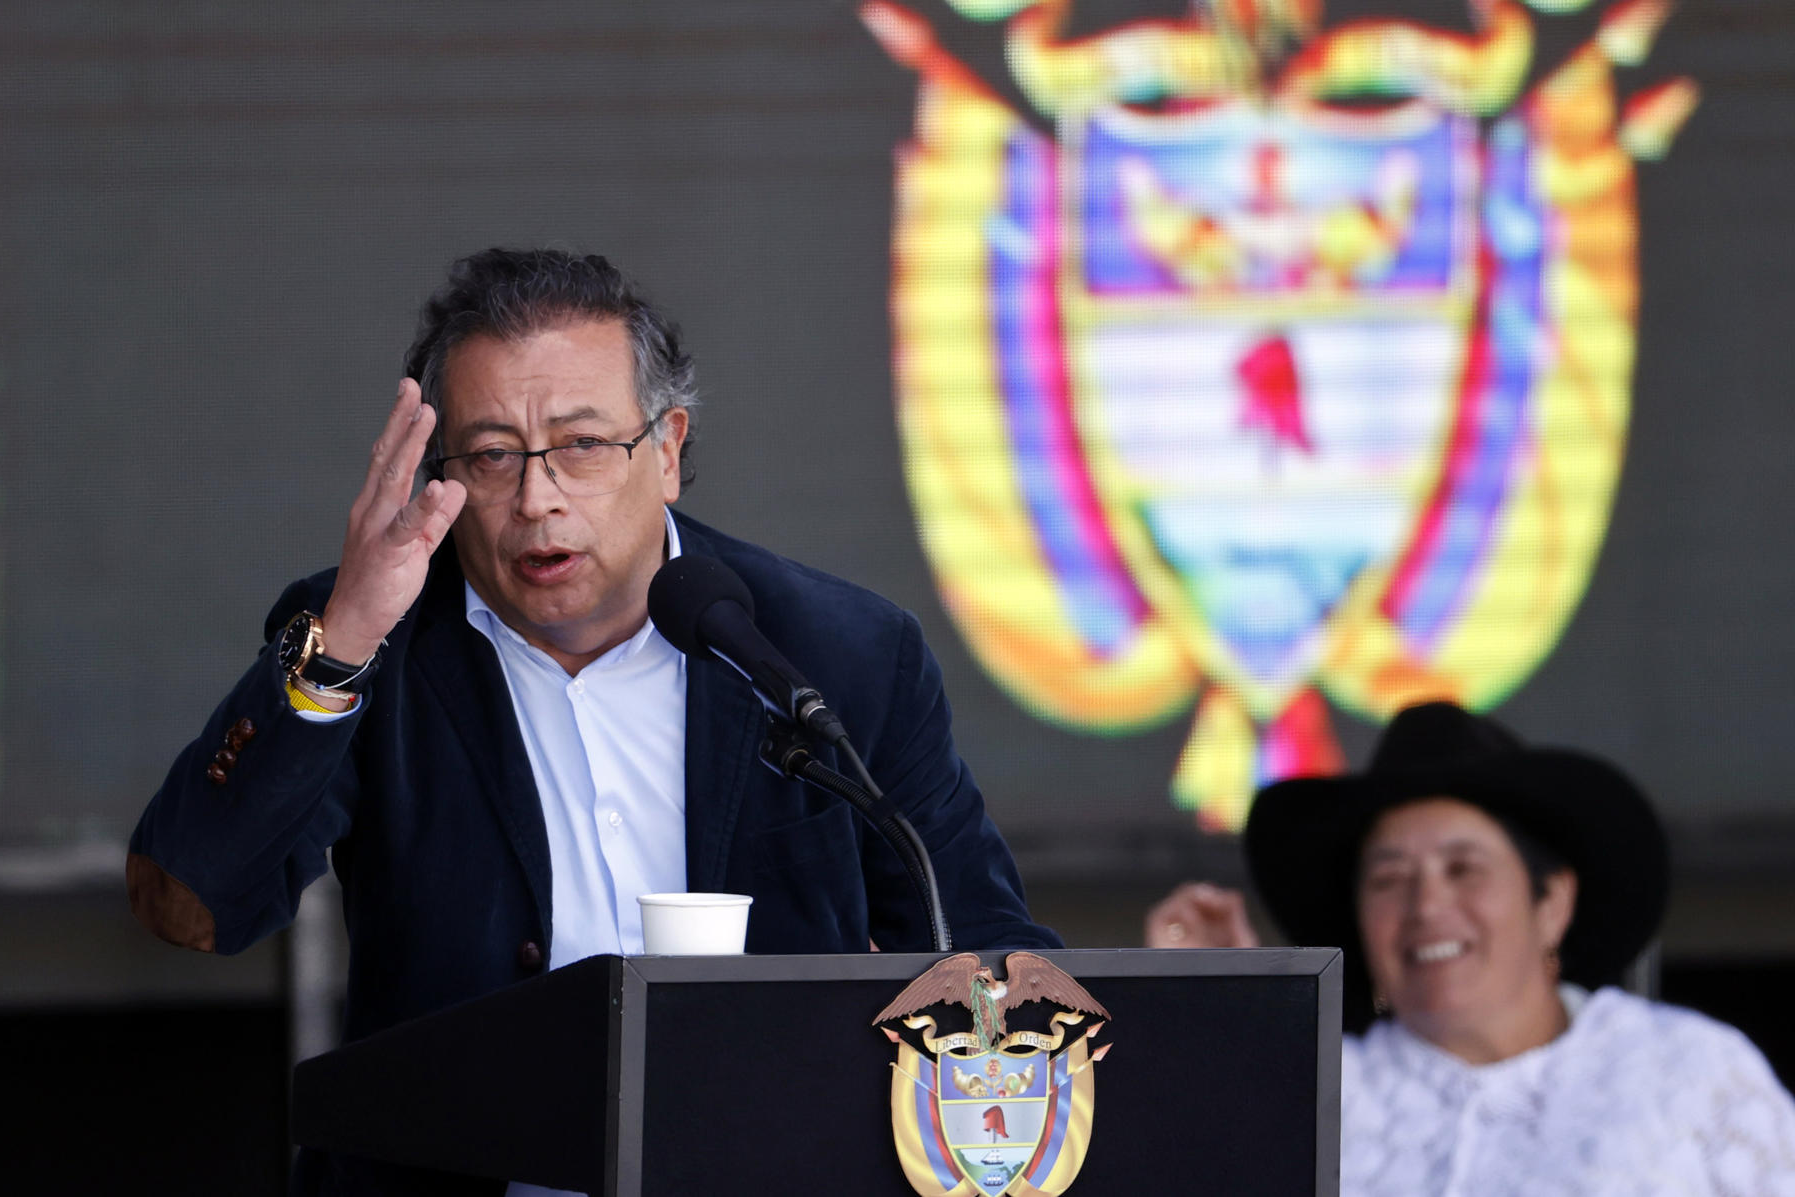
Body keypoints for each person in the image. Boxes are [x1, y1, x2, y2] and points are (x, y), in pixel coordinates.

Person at [126, 248, 1059, 1196]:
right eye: (491, 457)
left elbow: (983, 952)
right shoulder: (375, 637)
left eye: (581, 446)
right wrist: (344, 644)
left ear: (666, 449)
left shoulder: (840, 651)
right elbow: (190, 906)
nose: (538, 500)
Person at [1145, 701, 1795, 1195]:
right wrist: (1219, 1007)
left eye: (1464, 868)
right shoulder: (1313, 1096)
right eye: (1389, 878)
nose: (1426, 906)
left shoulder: (1690, 1073)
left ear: (1553, 902)